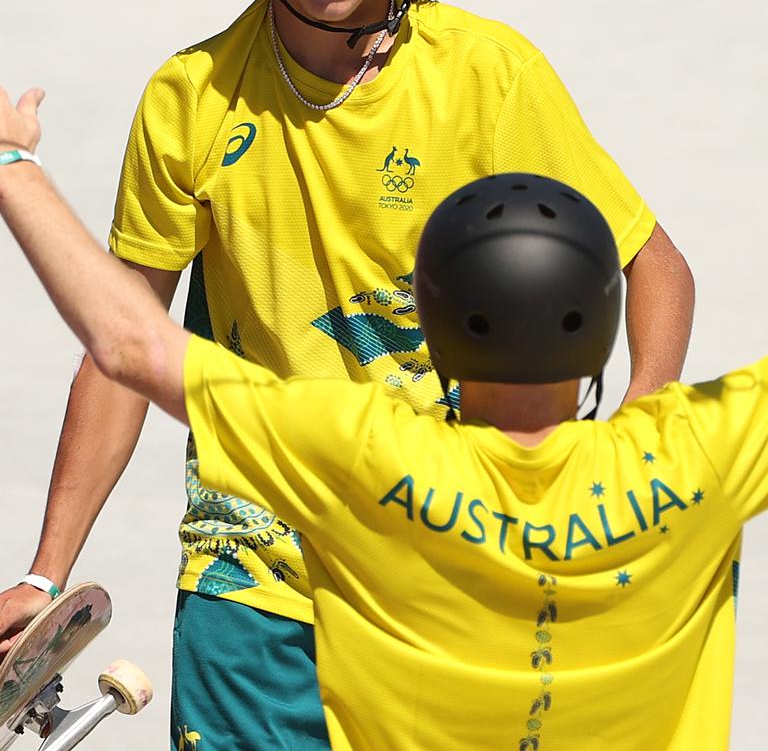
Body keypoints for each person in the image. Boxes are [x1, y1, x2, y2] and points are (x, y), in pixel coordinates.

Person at [0, 0, 695, 751]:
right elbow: (125, 340)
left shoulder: (486, 76)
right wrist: (45, 572)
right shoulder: (191, 99)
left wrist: (637, 430)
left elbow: (653, 260)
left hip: (444, 574)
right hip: (247, 582)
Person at [0, 95, 757, 751]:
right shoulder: (697, 451)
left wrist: (11, 162)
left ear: (432, 325)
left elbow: (132, 343)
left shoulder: (366, 457)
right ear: (601, 317)